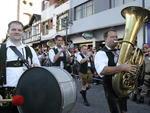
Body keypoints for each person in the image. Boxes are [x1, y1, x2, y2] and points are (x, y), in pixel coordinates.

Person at [0, 20, 40, 113]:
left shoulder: (29, 49)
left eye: (19, 30)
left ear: (22, 33)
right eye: (13, 29)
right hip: (5, 94)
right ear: (8, 32)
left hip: (26, 93)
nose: (17, 32)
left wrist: (35, 67)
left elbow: (38, 70)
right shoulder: (1, 49)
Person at [94, 28, 137, 113]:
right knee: (115, 110)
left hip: (122, 86)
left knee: (124, 110)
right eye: (112, 37)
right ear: (105, 39)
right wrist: (122, 67)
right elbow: (103, 70)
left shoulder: (119, 51)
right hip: (111, 87)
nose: (115, 39)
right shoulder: (101, 53)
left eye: (116, 37)